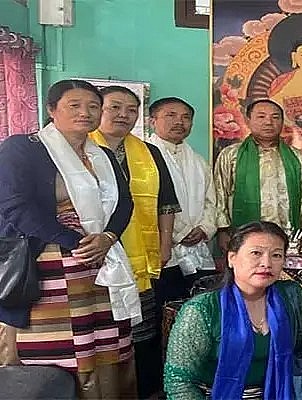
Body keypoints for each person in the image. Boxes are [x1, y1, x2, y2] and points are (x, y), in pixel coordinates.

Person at [0, 79, 138, 398]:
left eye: (93, 106)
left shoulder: (102, 154)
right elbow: (13, 205)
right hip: (47, 262)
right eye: (74, 106)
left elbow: (125, 202)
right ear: (52, 110)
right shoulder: (23, 148)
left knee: (101, 341)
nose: (85, 113)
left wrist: (108, 236)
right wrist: (74, 241)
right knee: (58, 348)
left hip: (100, 263)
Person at [89, 85, 181, 398]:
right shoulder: (80, 149)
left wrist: (165, 242)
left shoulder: (148, 153)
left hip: (140, 254)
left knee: (140, 328)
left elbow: (166, 203)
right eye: (115, 107)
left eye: (131, 109)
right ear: (98, 109)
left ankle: (142, 389)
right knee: (100, 327)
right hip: (95, 254)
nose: (124, 115)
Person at [164, 221, 302, 399]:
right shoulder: (201, 310)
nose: (266, 263)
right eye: (256, 253)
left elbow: (299, 355)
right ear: (231, 258)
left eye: (277, 255)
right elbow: (179, 382)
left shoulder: (291, 296)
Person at [214, 99, 302, 253]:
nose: (269, 122)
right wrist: (222, 230)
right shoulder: (231, 155)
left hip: (288, 235)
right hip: (242, 234)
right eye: (261, 117)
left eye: (275, 117)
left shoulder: (298, 158)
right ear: (248, 121)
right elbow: (220, 193)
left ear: (282, 122)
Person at [147, 97, 217, 303]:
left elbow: (211, 201)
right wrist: (181, 232)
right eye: (171, 115)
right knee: (163, 309)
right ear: (152, 121)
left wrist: (205, 228)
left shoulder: (198, 161)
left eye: (186, 117)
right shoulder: (143, 157)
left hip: (197, 246)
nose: (179, 122)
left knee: (199, 307)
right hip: (162, 249)